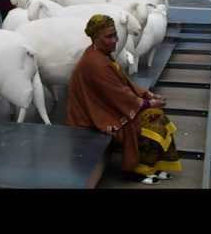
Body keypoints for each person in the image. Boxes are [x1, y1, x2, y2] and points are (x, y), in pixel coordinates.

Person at [66, 14, 182, 184]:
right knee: (152, 121)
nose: (115, 40)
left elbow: (123, 84)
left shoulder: (100, 54)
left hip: (107, 107)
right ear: (96, 38)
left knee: (157, 116)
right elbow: (118, 94)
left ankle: (153, 165)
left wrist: (146, 94)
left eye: (115, 35)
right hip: (92, 117)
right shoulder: (96, 63)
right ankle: (136, 170)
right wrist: (148, 103)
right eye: (109, 36)